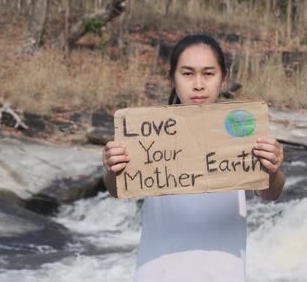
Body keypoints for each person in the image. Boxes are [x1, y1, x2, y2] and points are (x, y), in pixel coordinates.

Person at [102, 34, 285, 281]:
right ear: (172, 79)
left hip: (223, 273)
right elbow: (116, 189)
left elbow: (270, 194)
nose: (198, 84)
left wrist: (272, 170)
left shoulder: (242, 130)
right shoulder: (147, 132)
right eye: (187, 74)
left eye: (208, 74)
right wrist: (113, 168)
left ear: (224, 78)